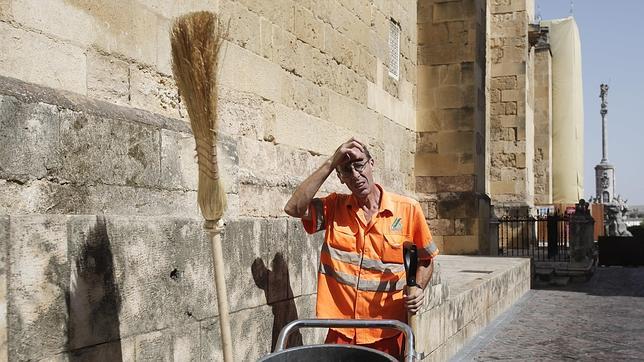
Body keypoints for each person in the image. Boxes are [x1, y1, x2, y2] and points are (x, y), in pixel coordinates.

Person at [284, 138, 439, 359]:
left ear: (371, 163)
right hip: (340, 333)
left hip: (388, 332)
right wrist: (330, 162)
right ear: (340, 177)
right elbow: (293, 208)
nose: (356, 175)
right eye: (346, 170)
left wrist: (419, 288)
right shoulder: (333, 207)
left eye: (359, 165)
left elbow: (426, 259)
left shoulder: (408, 210)